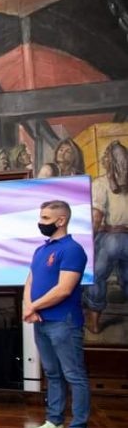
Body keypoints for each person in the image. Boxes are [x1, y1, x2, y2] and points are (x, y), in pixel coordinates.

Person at [23, 200, 91, 428]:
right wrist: (28, 307)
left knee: (74, 375)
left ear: (61, 220)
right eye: (40, 217)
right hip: (41, 321)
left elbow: (64, 289)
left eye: (45, 218)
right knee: (52, 373)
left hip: (64, 322)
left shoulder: (72, 249)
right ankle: (54, 423)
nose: (41, 223)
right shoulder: (41, 250)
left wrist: (34, 306)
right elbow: (29, 281)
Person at [84, 141, 128, 334]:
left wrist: (87, 243)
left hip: (109, 238)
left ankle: (94, 324)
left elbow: (96, 217)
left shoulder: (100, 183)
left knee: (96, 277)